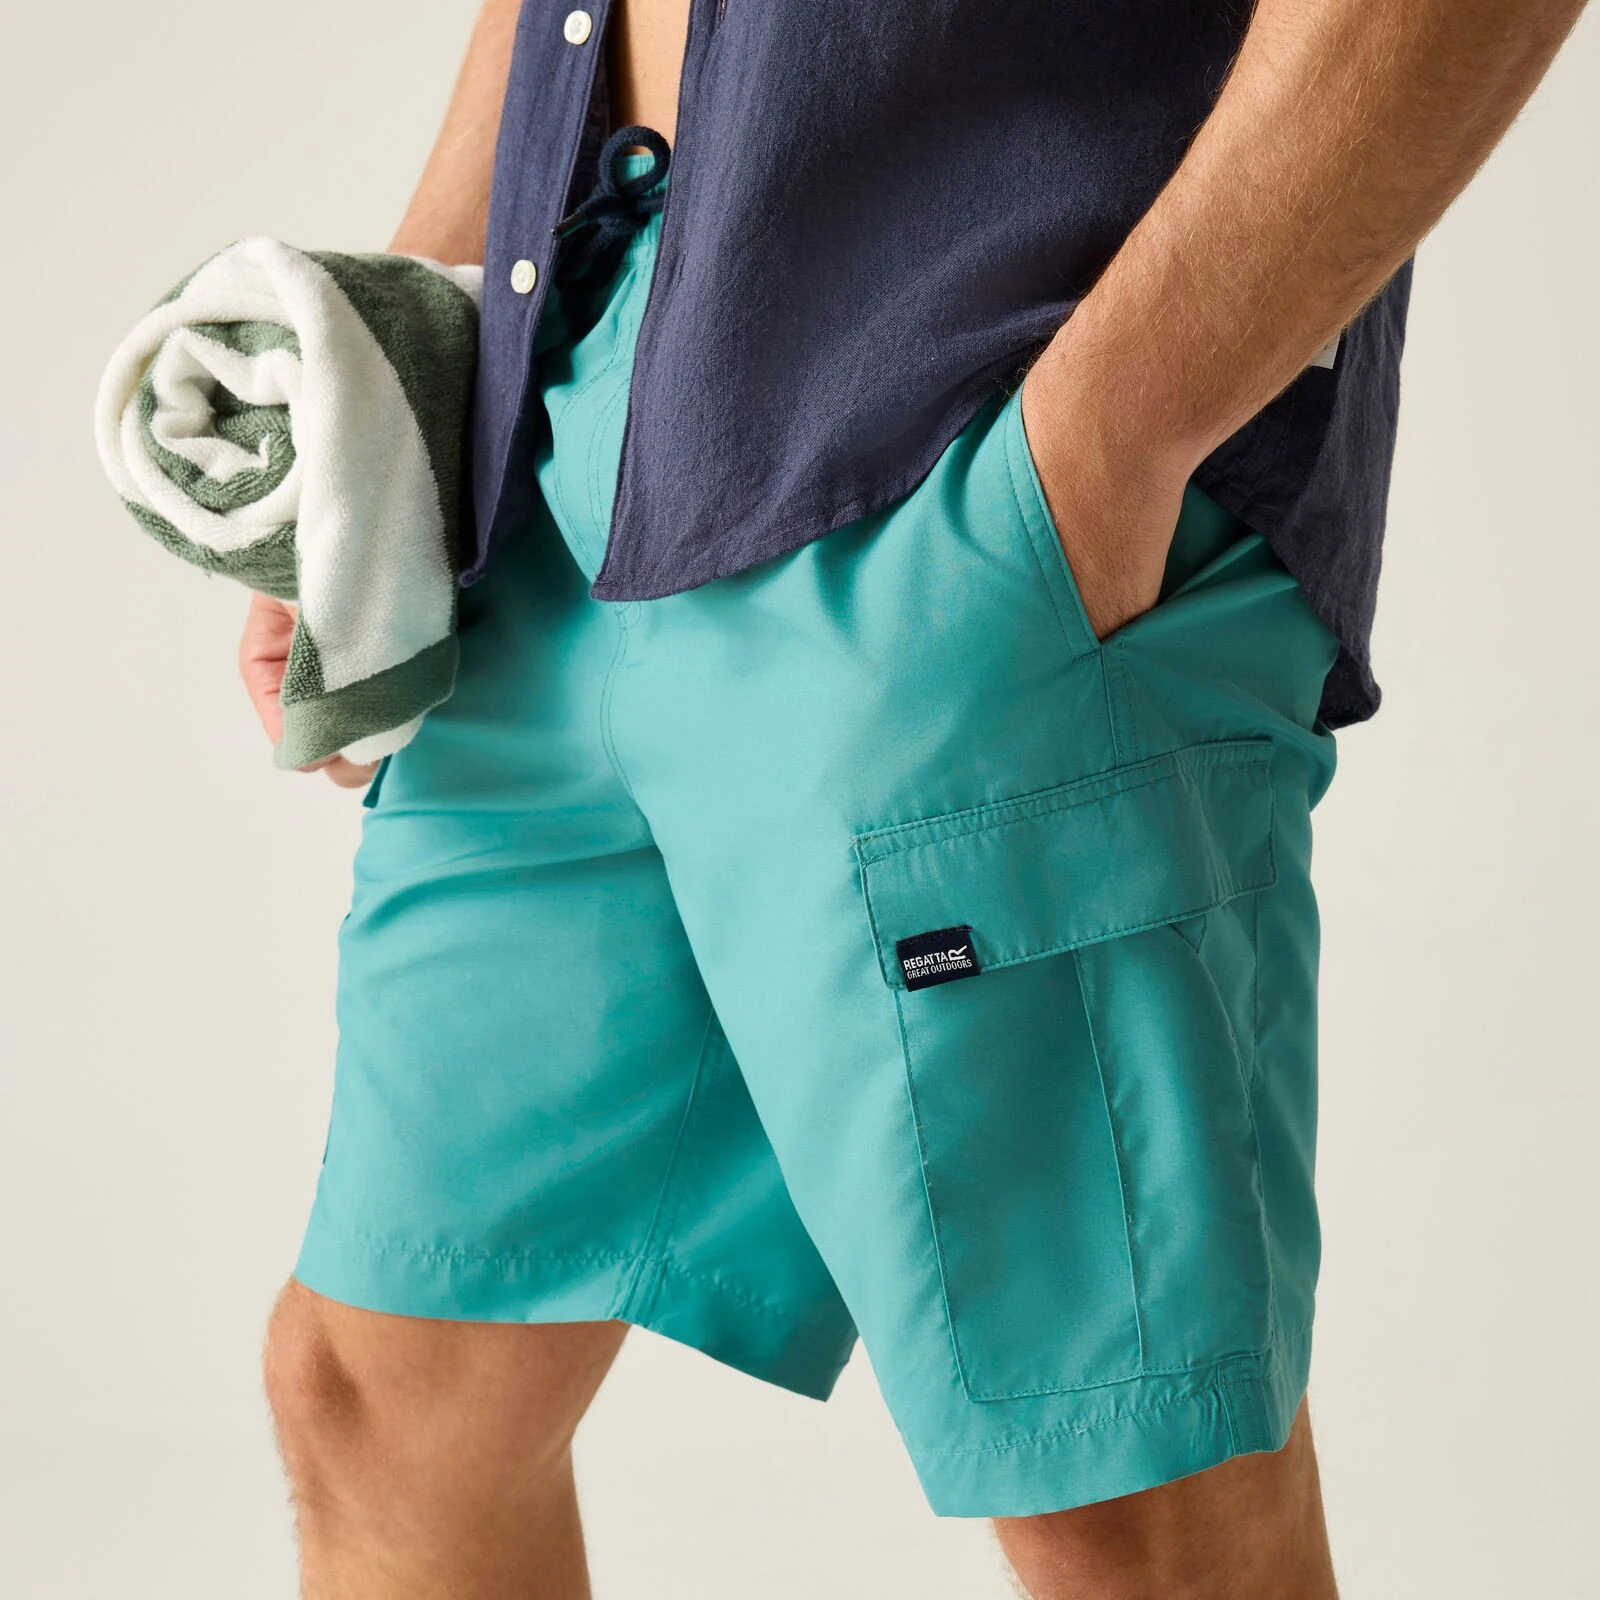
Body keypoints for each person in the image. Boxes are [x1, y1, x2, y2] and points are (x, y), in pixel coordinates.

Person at [237, 1, 1586, 1594]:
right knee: (382, 1390)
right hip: (571, 409)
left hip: (962, 435)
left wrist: (1110, 439)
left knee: (1125, 1494)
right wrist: (396, 377)